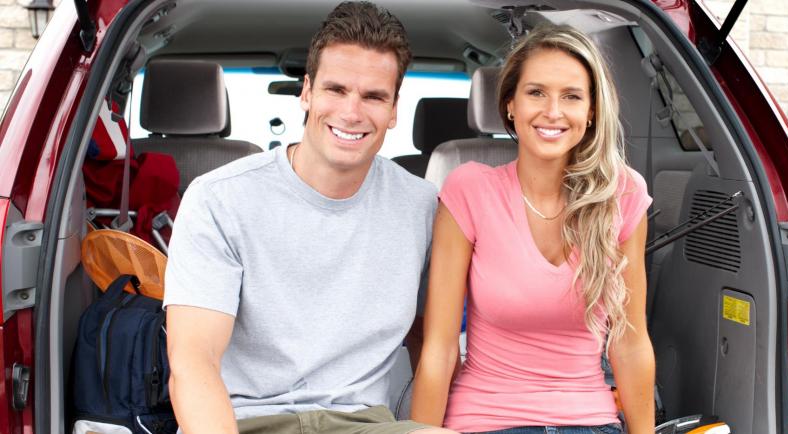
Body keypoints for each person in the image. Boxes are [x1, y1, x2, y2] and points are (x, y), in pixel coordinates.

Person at [163, 3, 453, 433]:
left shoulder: (423, 205)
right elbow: (194, 363)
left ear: (394, 110)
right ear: (307, 92)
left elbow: (435, 340)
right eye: (336, 90)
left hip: (366, 424)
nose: (352, 113)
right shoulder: (219, 200)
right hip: (248, 422)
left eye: (374, 96)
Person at [410, 25, 655, 434]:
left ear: (592, 110)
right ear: (509, 104)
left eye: (572, 96)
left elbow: (630, 344)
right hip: (486, 420)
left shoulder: (622, 194)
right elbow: (440, 348)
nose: (553, 111)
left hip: (589, 422)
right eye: (536, 92)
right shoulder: (469, 189)